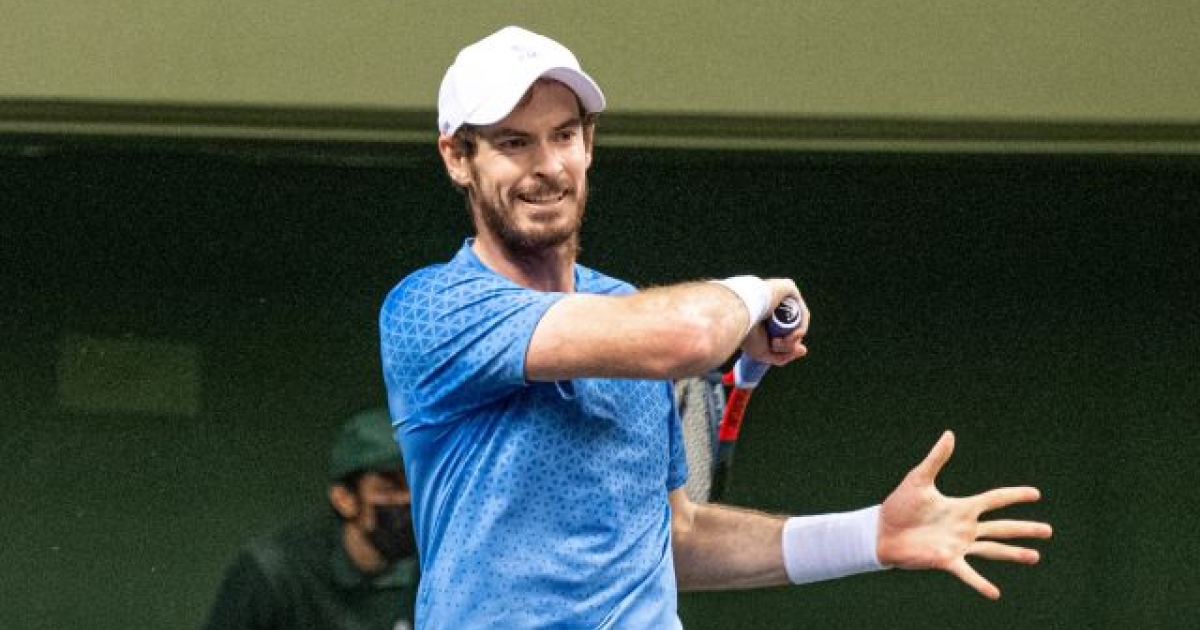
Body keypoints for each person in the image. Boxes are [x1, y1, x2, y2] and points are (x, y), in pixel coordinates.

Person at [378, 25, 1052, 630]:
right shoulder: (432, 310)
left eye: (564, 135)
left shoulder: (626, 311)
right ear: (457, 157)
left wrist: (871, 536)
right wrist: (759, 293)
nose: (548, 165)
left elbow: (676, 536)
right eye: (513, 143)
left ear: (589, 143)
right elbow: (689, 338)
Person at [203, 409, 418, 630]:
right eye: (390, 488)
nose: (409, 499)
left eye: (417, 484)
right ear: (344, 498)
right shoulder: (274, 572)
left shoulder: (427, 571)